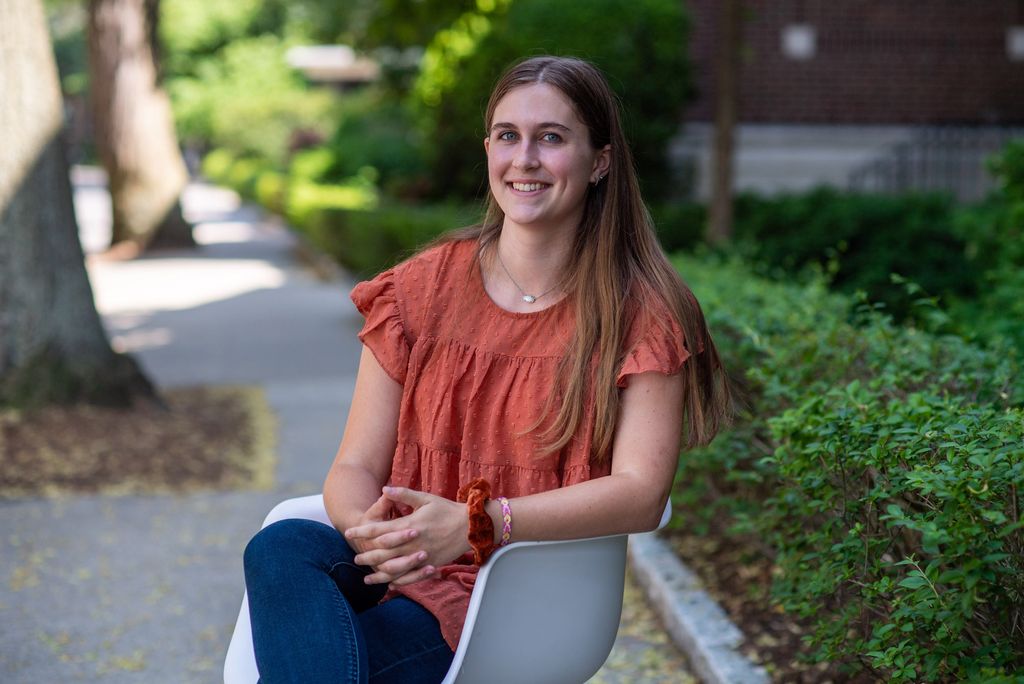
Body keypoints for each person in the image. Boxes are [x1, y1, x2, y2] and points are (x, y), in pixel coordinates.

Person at [242, 54, 731, 683]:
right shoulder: (418, 289)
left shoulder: (643, 312)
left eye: (551, 138)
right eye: (508, 136)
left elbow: (641, 493)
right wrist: (378, 538)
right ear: (488, 148)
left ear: (600, 161)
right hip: (404, 567)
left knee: (334, 662)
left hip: (514, 598)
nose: (524, 158)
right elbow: (356, 465)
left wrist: (477, 524)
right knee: (281, 549)